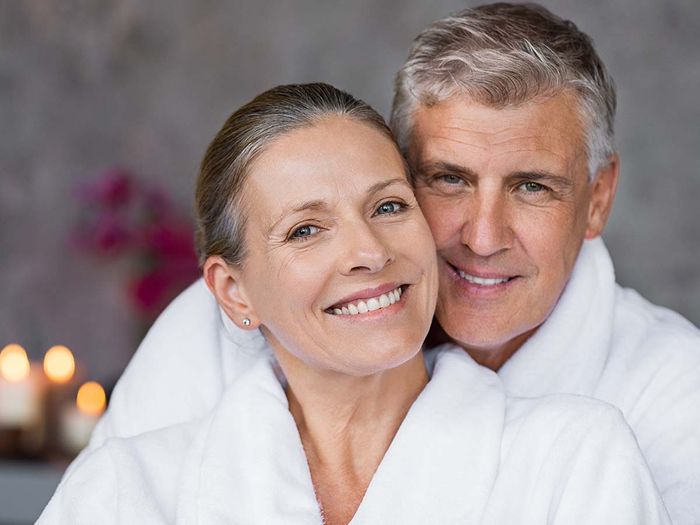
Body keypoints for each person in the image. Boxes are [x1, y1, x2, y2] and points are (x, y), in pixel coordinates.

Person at [77, 3, 700, 523]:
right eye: (447, 179)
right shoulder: (200, 347)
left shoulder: (664, 402)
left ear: (598, 198)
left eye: (533, 186)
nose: (483, 238)